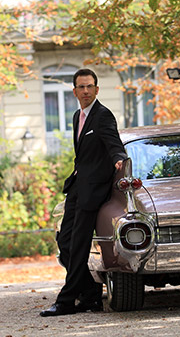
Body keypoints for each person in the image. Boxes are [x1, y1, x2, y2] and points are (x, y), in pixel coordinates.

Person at [40, 68, 127, 317]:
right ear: (75, 90)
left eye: (90, 86)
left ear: (97, 89)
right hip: (78, 187)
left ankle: (66, 301)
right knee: (65, 242)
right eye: (82, 87)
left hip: (94, 192)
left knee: (78, 245)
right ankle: (90, 295)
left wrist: (119, 159)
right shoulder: (77, 115)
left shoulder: (103, 115)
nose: (86, 91)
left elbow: (114, 145)